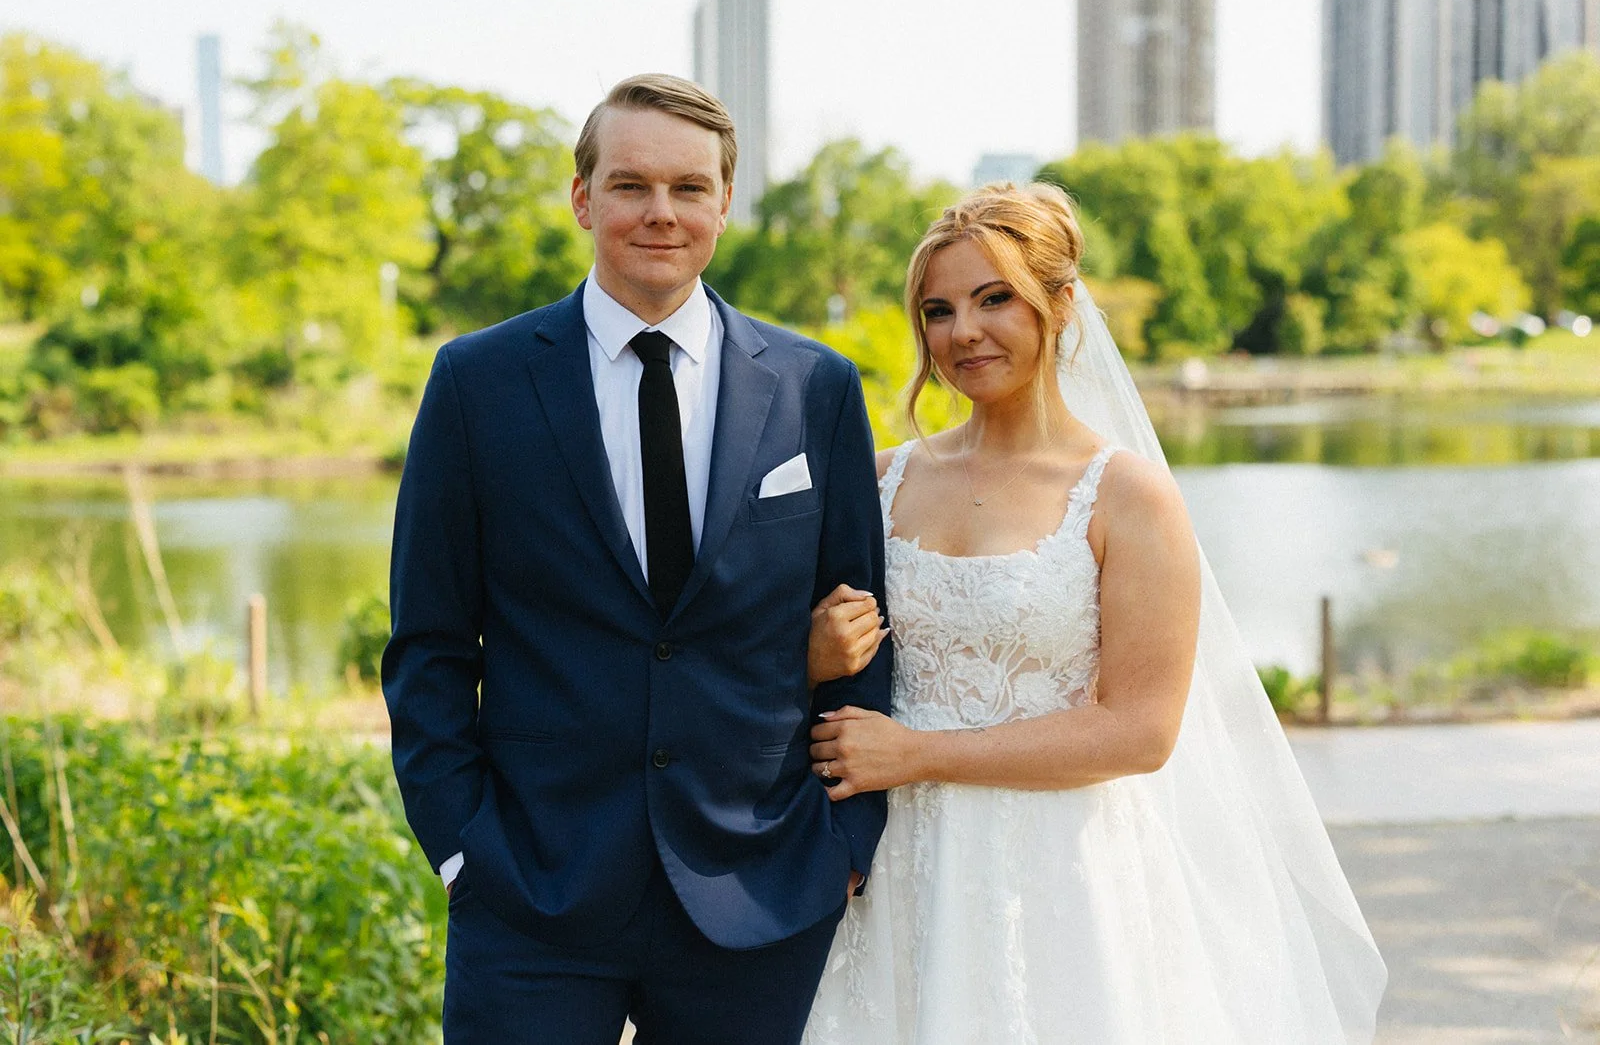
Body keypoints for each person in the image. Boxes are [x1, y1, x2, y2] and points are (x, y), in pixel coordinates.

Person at [800, 182, 1386, 1044]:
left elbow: (1140, 732)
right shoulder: (880, 478)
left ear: (1062, 304)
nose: (964, 332)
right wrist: (812, 656)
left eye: (994, 299)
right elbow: (813, 664)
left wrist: (918, 753)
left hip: (1058, 867)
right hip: (897, 868)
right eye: (939, 310)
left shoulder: (1128, 495)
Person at [381, 73, 892, 1044]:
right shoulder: (476, 382)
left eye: (689, 187)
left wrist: (843, 844)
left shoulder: (813, 386)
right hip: (532, 892)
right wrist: (461, 850)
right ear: (583, 198)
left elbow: (867, 630)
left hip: (758, 888)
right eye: (631, 185)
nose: (662, 211)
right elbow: (429, 645)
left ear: (725, 203)